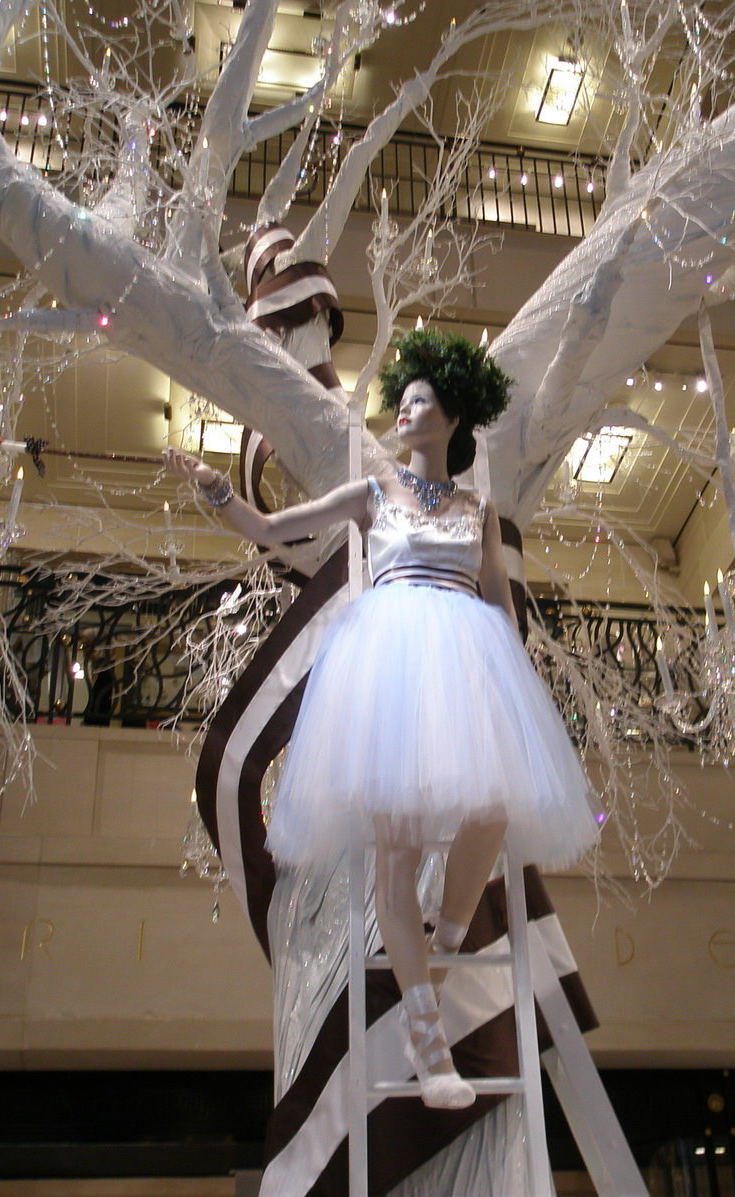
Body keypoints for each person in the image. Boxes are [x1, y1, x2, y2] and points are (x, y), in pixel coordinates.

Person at [163, 329, 599, 1109]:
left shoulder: (479, 511)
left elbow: (500, 603)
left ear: (453, 416)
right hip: (390, 666)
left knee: (492, 809)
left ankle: (442, 949)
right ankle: (432, 1054)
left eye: (420, 400)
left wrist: (516, 687)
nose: (405, 411)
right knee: (397, 851)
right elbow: (273, 530)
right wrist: (216, 490)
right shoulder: (373, 493)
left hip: (465, 662)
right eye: (403, 400)